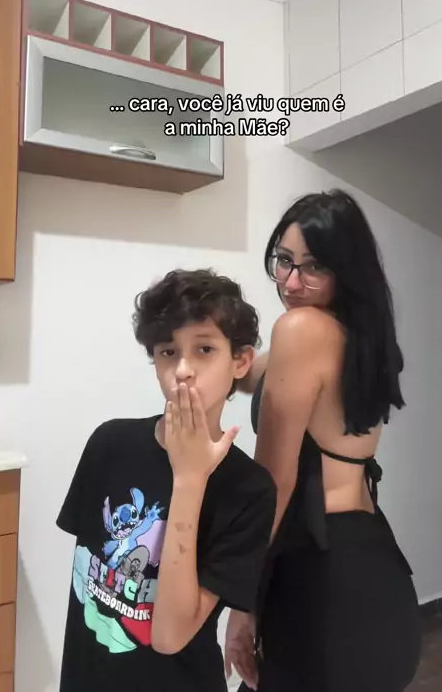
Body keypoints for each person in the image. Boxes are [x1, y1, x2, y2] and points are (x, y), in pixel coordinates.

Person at [225, 189, 422, 692]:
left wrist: (241, 600)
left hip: (319, 583)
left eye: (314, 266)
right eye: (284, 261)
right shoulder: (360, 336)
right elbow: (253, 373)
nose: (292, 281)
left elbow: (272, 483)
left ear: (344, 271)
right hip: (376, 576)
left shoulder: (300, 329)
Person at [56, 268, 277, 692]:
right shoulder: (110, 444)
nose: (183, 370)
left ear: (241, 361)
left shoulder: (249, 490)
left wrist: (190, 479)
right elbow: (89, 583)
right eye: (168, 352)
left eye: (205, 349)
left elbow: (170, 636)